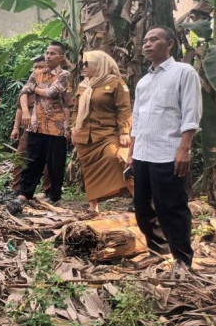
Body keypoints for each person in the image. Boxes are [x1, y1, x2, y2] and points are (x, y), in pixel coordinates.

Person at [126, 26, 202, 272]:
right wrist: (131, 153)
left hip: (168, 152)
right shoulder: (144, 81)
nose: (147, 44)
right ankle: (157, 251)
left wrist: (184, 148)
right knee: (142, 208)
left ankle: (182, 259)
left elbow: (191, 113)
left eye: (154, 39)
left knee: (172, 208)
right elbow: (137, 120)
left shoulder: (183, 72)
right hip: (143, 154)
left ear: (169, 44)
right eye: (145, 40)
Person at [71, 51, 133, 213]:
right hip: (85, 136)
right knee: (89, 170)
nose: (83, 67)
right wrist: (73, 128)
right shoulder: (84, 85)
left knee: (119, 159)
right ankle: (93, 207)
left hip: (108, 133)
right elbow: (76, 110)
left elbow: (124, 109)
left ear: (100, 64)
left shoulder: (116, 83)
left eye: (87, 63)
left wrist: (124, 131)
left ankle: (139, 198)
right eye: (82, 64)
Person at [18, 41, 71, 204]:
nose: (48, 56)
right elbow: (23, 92)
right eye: (47, 53)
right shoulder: (37, 73)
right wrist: (26, 112)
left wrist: (34, 89)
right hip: (37, 124)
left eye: (52, 53)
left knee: (56, 164)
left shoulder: (64, 75)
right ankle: (25, 194)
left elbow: (51, 92)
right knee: (32, 160)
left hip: (57, 127)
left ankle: (54, 197)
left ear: (61, 57)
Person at [10, 56, 51, 194]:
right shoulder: (28, 88)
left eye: (41, 67)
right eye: (35, 67)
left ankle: (48, 192)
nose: (37, 70)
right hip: (29, 129)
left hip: (49, 130)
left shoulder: (56, 84)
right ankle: (16, 189)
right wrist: (16, 128)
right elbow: (20, 109)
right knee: (21, 157)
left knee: (48, 161)